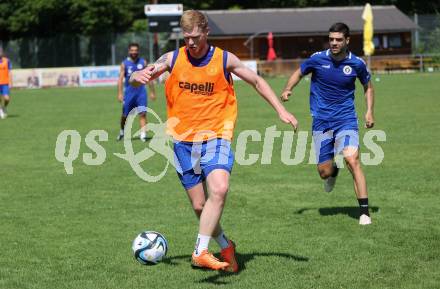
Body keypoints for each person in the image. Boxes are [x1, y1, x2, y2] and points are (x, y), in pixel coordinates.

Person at [130, 10, 298, 271]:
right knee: (200, 206)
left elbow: (255, 79)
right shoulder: (172, 58)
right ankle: (225, 245)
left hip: (216, 136)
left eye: (196, 37)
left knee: (218, 189)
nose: (191, 43)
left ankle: (200, 251)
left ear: (206, 32)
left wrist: (281, 110)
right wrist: (136, 77)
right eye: (186, 38)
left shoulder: (223, 59)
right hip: (183, 142)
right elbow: (142, 73)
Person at [281, 23, 375, 225]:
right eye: (331, 39)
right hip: (321, 122)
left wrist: (368, 111)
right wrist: (288, 89)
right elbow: (298, 72)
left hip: (346, 119)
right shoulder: (317, 58)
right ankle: (333, 172)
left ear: (347, 41)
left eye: (338, 39)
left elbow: (368, 86)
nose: (334, 43)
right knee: (324, 172)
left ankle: (365, 212)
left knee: (352, 159)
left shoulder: (356, 63)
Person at [117, 43, 156, 141]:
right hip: (129, 93)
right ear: (129, 51)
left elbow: (149, 77)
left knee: (142, 113)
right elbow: (120, 79)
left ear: (138, 51)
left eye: (136, 50)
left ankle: (143, 135)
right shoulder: (124, 63)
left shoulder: (143, 62)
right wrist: (120, 93)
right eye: (132, 50)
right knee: (125, 115)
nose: (134, 52)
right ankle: (122, 131)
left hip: (141, 92)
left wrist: (152, 92)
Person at [0, 51, 12, 119]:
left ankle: (4, 107)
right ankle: (0, 111)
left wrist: (11, 82)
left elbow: (10, 71)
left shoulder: (7, 61)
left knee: (7, 98)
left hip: (5, 83)